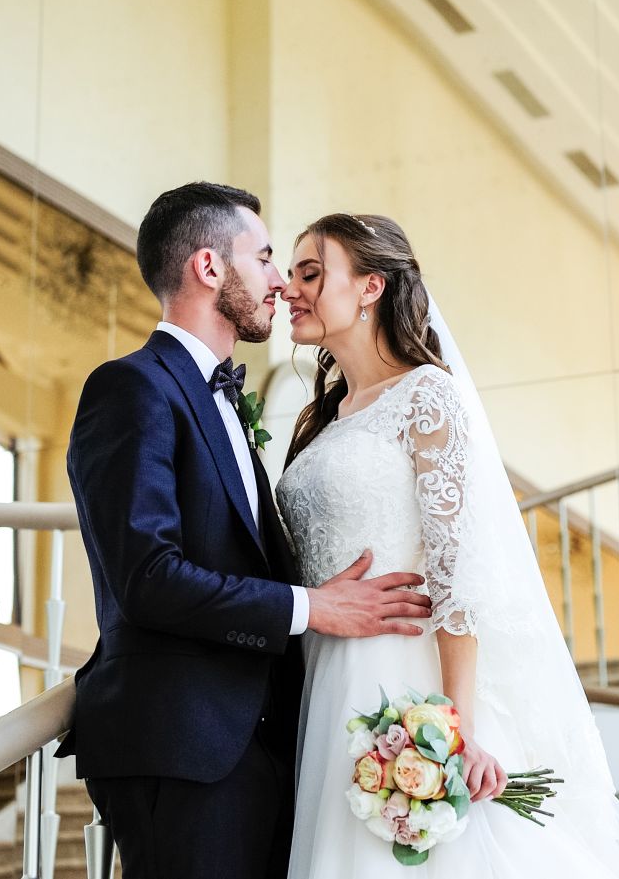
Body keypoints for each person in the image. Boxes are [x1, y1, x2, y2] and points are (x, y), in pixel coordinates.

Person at [275, 212, 619, 877]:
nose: (290, 288)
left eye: (311, 273)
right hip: (323, 672)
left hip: (401, 675)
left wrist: (452, 725)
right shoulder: (322, 419)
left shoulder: (427, 396)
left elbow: (454, 571)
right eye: (290, 274)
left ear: (372, 286)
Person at [55, 184, 433, 879]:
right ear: (208, 267)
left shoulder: (225, 398)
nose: (280, 282)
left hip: (271, 744)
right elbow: (147, 578)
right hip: (183, 747)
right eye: (263, 259)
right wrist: (312, 607)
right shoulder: (131, 388)